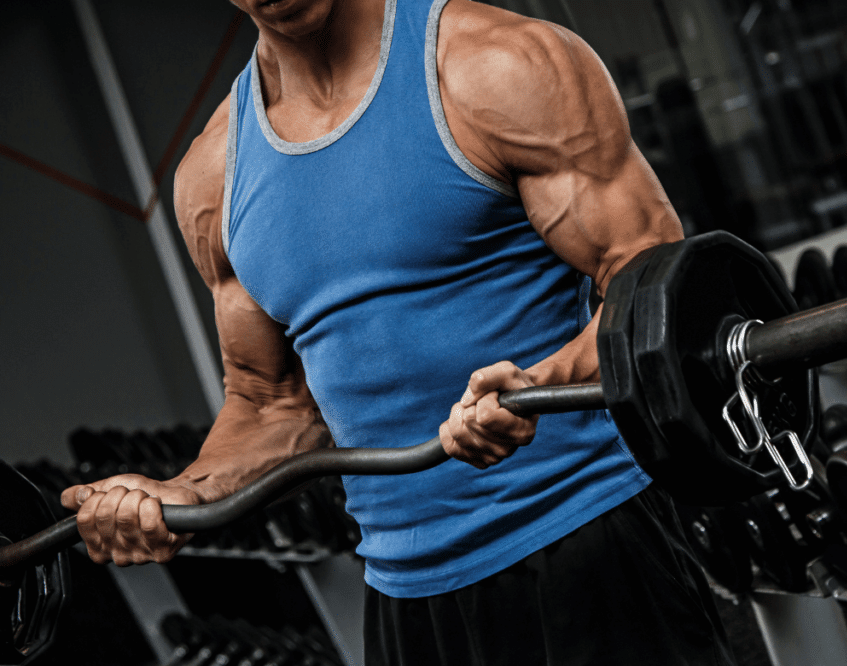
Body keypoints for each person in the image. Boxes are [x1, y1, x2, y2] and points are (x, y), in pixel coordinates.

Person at [61, 0, 736, 663]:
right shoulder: (214, 175)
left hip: (589, 540)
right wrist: (187, 492)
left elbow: (649, 286)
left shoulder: (494, 65)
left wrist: (539, 387)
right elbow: (271, 405)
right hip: (406, 597)